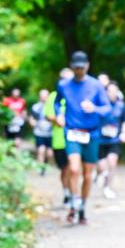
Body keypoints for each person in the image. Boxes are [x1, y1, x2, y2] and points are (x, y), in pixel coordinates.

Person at [54, 52, 111, 224]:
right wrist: (59, 114)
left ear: (87, 66)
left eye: (82, 67)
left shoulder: (96, 85)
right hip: (72, 132)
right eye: (76, 67)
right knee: (73, 168)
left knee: (87, 174)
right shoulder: (63, 85)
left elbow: (107, 108)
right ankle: (73, 202)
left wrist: (94, 108)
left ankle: (82, 207)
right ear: (72, 66)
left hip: (92, 133)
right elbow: (57, 102)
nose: (79, 71)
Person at [45, 69, 73, 206]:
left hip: (75, 138)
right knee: (65, 169)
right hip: (59, 139)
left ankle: (74, 195)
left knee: (73, 167)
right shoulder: (53, 97)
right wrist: (57, 119)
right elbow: (48, 115)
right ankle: (67, 192)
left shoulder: (76, 94)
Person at [97, 82, 125, 199]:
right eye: (110, 90)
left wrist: (124, 133)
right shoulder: (99, 105)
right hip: (100, 140)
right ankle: (102, 175)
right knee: (102, 166)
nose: (112, 93)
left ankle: (107, 187)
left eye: (114, 90)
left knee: (112, 163)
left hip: (114, 140)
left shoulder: (121, 106)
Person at [29, 89, 54, 176]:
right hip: (39, 132)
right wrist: (32, 123)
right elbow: (31, 118)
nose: (44, 98)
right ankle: (40, 169)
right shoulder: (35, 107)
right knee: (41, 150)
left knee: (49, 153)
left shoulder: (53, 106)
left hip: (50, 133)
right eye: (42, 96)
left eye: (45, 96)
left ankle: (44, 166)